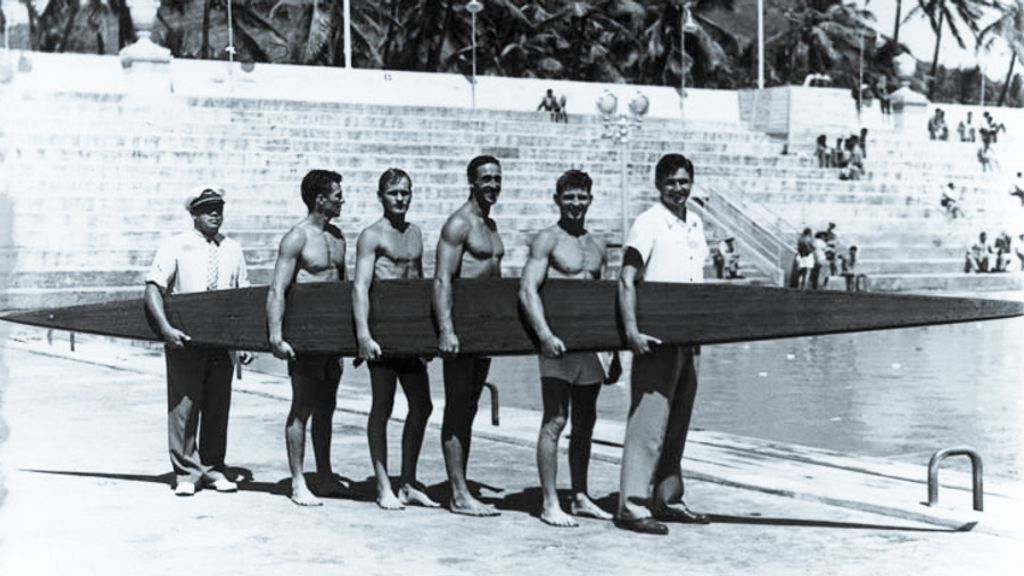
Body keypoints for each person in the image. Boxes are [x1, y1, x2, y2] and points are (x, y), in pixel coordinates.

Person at [614, 153, 710, 536]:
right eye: (671, 182)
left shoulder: (696, 223)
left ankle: (668, 498)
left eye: (684, 181)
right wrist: (632, 332)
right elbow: (626, 279)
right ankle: (632, 505)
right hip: (655, 339)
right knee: (648, 423)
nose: (679, 189)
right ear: (659, 185)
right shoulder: (648, 223)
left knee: (678, 421)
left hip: (690, 338)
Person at [518, 169, 614, 528]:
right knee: (555, 420)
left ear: (590, 199)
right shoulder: (547, 240)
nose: (575, 204)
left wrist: (613, 351)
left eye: (581, 197)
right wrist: (544, 335)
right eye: (568, 197)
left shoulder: (598, 244)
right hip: (556, 345)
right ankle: (549, 502)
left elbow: (605, 301)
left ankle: (581, 496)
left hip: (590, 349)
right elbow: (528, 290)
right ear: (557, 199)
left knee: (586, 422)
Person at [144, 187, 253, 497]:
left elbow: (242, 296)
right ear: (194, 213)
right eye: (207, 209)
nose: (215, 213)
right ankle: (186, 472)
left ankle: (213, 467)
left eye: (219, 207)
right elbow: (153, 287)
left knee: (218, 405)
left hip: (221, 342)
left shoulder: (233, 248)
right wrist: (165, 328)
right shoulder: (176, 245)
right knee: (184, 407)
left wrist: (244, 340)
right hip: (186, 339)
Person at [352, 168, 440, 511]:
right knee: (383, 407)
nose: (400, 199)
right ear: (381, 197)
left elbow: (419, 285)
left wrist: (426, 337)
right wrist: (363, 334)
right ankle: (383, 485)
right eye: (393, 193)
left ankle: (408, 481)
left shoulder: (416, 234)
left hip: (410, 336)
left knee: (423, 405)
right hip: (382, 334)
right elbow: (361, 286)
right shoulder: (371, 236)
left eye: (405, 192)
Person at [266, 169, 349, 506]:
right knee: (302, 407)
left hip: (333, 338)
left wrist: (351, 337)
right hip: (306, 337)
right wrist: (275, 336)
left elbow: (346, 288)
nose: (342, 199)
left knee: (327, 408)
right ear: (320, 199)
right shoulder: (296, 238)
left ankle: (325, 476)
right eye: (337, 194)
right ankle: (299, 482)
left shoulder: (339, 236)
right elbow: (277, 289)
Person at [433, 155, 505, 516]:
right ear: (472, 182)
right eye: (486, 179)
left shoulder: (490, 225)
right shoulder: (459, 225)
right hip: (460, 330)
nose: (492, 185)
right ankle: (458, 494)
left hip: (485, 332)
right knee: (458, 407)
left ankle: (461, 486)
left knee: (471, 408)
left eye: (497, 178)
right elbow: (443, 278)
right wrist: (446, 330)